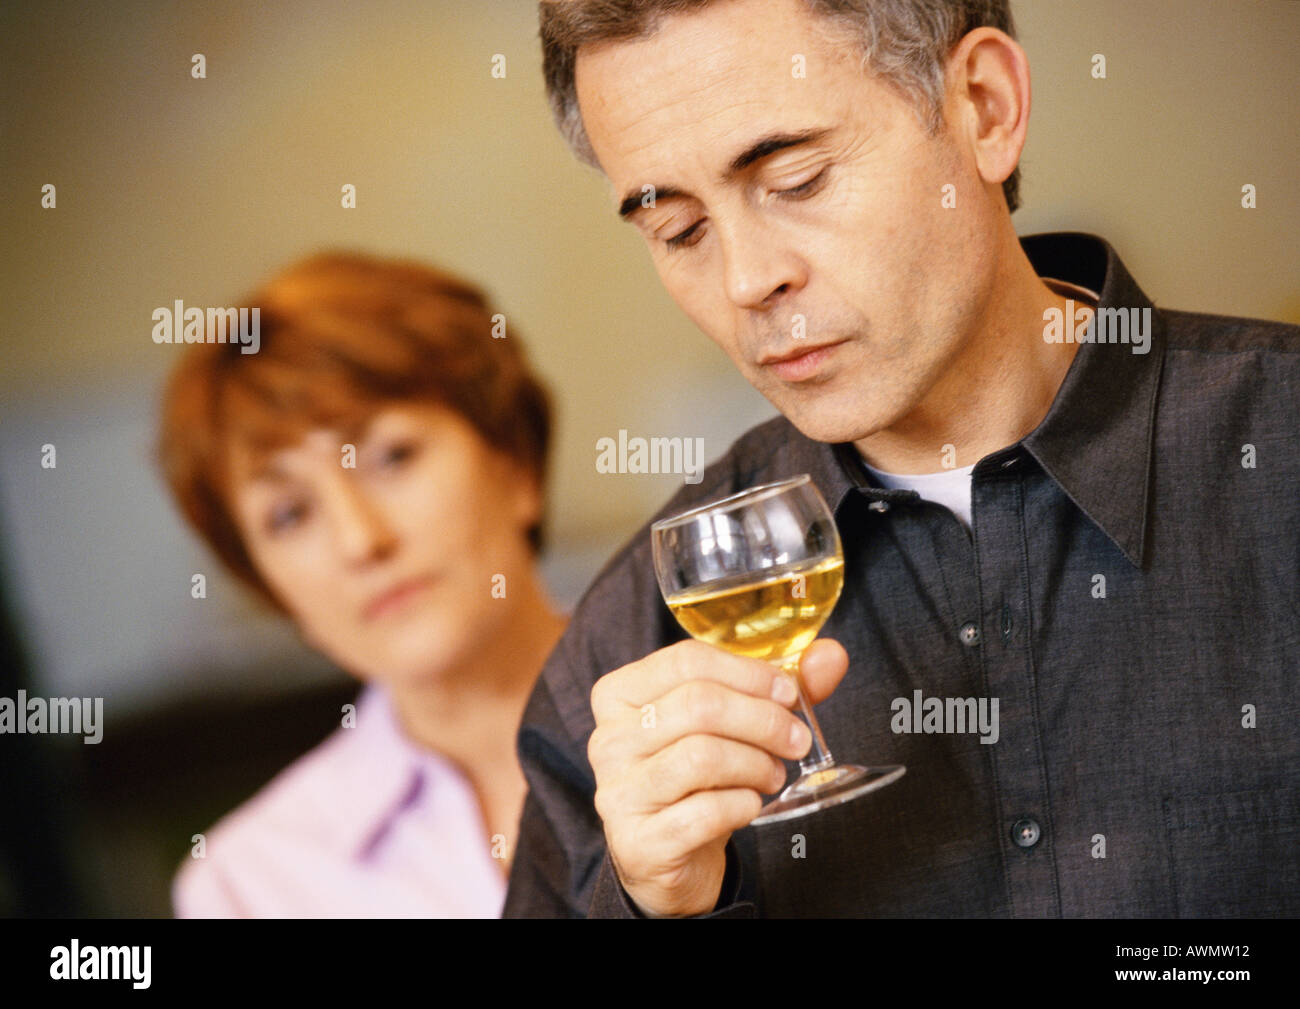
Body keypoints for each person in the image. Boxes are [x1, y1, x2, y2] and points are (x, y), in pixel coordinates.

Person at [504, 0, 1300, 917]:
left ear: (985, 107)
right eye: (678, 230)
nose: (745, 279)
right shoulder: (624, 648)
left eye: (797, 179)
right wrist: (654, 906)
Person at [157, 251, 566, 916]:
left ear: (513, 460)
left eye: (391, 456)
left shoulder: (730, 698)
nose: (360, 539)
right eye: (290, 514)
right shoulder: (246, 884)